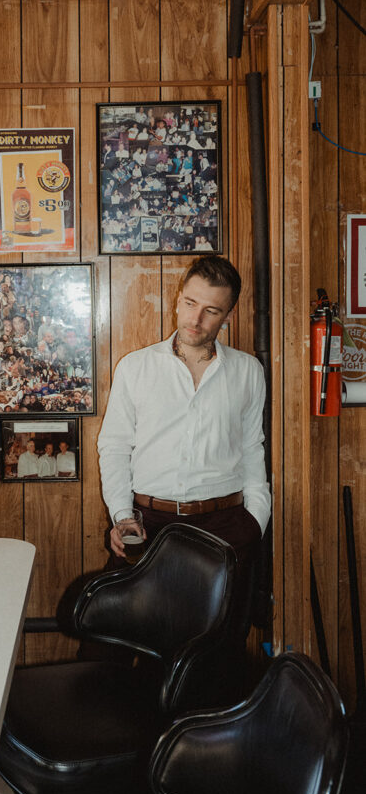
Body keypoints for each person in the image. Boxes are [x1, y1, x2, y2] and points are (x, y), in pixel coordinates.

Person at [97, 255, 270, 636]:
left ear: (228, 315)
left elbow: (252, 448)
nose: (196, 319)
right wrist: (121, 515)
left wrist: (254, 521)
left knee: (213, 654)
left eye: (211, 310)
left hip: (224, 526)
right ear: (178, 299)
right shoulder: (135, 367)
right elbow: (114, 447)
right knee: (120, 644)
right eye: (190, 304)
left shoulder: (247, 372)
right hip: (147, 526)